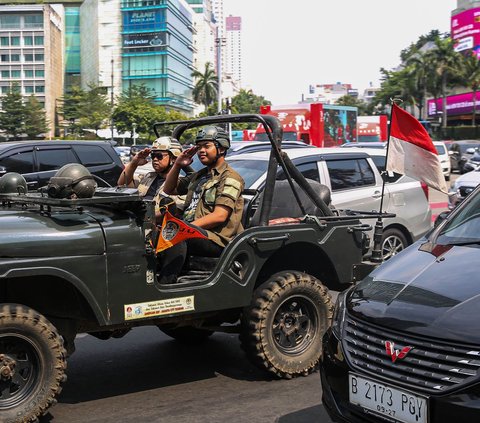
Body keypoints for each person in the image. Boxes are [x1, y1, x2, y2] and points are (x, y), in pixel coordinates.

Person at [161, 125, 244, 282]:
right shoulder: (200, 176)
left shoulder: (230, 178)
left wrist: (185, 228)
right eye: (199, 147)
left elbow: (220, 216)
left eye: (207, 146)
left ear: (221, 148)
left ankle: (166, 284)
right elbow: (169, 189)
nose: (201, 151)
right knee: (153, 232)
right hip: (196, 233)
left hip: (217, 238)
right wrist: (178, 164)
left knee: (176, 234)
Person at [118, 136, 183, 219]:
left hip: (156, 228)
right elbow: (122, 183)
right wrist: (134, 163)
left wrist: (142, 217)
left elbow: (173, 212)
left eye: (159, 156)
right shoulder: (148, 177)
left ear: (173, 158)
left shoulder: (180, 183)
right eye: (153, 156)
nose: (155, 159)